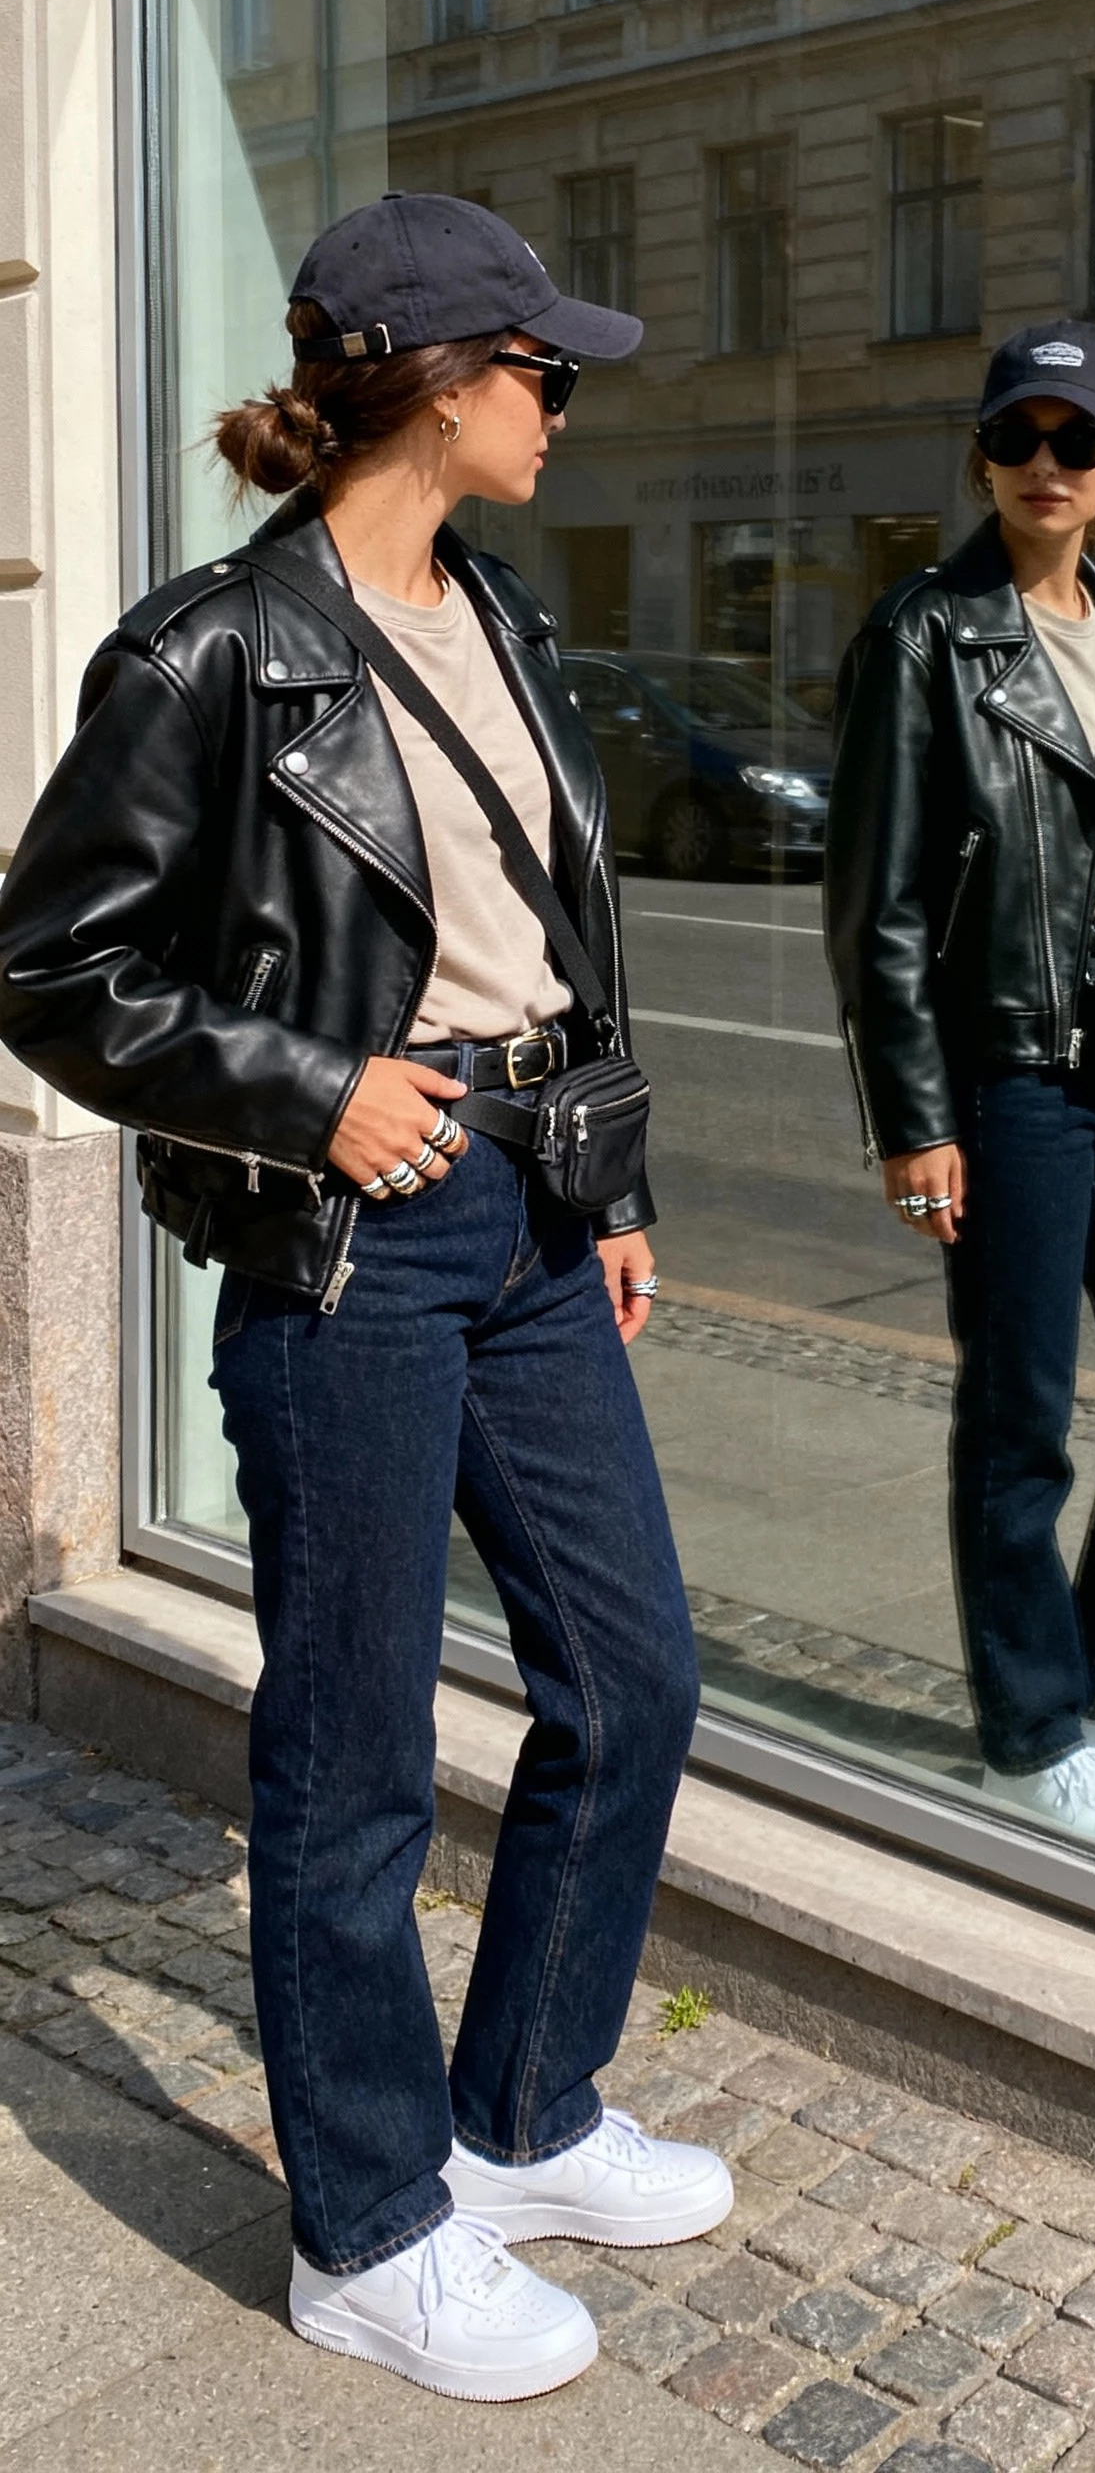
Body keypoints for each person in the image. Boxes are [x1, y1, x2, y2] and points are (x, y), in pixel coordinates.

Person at [0, 193, 732, 2405]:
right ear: (431, 373)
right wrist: (310, 1089)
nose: (565, 401)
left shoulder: (495, 615)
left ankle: (515, 2109)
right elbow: (51, 961)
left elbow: (551, 932)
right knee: (349, 1754)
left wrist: (602, 1172)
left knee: (635, 1674)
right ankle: (371, 2223)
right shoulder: (212, 648)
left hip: (524, 1217)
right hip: (357, 1244)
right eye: (544, 367)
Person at [825, 320, 1095, 1869]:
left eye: (1081, 443)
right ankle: (1028, 1735)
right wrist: (913, 1119)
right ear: (984, 457)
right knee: (1020, 1420)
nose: (1047, 468)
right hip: (1005, 1070)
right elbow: (870, 908)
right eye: (1022, 439)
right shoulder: (926, 638)